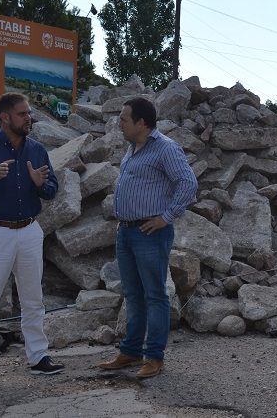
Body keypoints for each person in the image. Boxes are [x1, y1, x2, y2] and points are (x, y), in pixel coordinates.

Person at [0, 92, 63, 386]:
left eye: (29, 113)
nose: (28, 118)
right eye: (22, 114)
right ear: (5, 118)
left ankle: (39, 357)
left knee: (33, 298)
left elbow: (52, 189)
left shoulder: (38, 150)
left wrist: (41, 184)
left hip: (29, 231)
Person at [98, 97, 197, 379]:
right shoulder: (132, 148)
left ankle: (154, 357)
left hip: (150, 232)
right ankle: (130, 352)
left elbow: (188, 183)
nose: (119, 123)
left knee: (154, 294)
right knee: (133, 294)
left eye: (124, 119)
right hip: (127, 231)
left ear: (142, 122)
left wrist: (165, 217)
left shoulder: (165, 148)